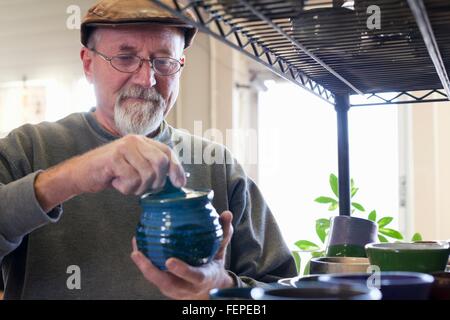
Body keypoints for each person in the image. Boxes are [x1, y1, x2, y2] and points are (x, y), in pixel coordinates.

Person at [0, 0, 296, 299]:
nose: (147, 79)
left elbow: (282, 290)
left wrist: (223, 289)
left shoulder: (218, 167)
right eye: (126, 57)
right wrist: (74, 176)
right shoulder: (27, 148)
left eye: (164, 61)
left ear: (180, 66)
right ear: (88, 64)